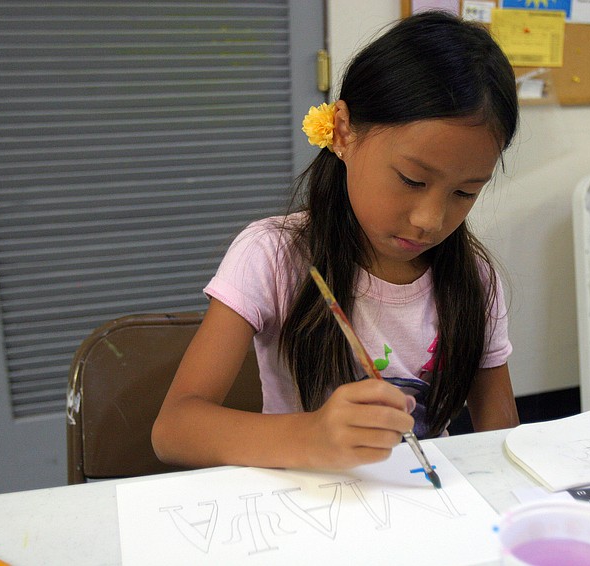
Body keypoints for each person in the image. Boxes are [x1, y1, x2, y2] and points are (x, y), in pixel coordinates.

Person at [152, 10, 520, 471]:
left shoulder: (474, 278)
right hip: (309, 499)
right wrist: (312, 435)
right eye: (411, 179)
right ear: (344, 132)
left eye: (465, 193)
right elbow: (174, 430)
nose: (429, 220)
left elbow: (502, 439)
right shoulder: (273, 255)